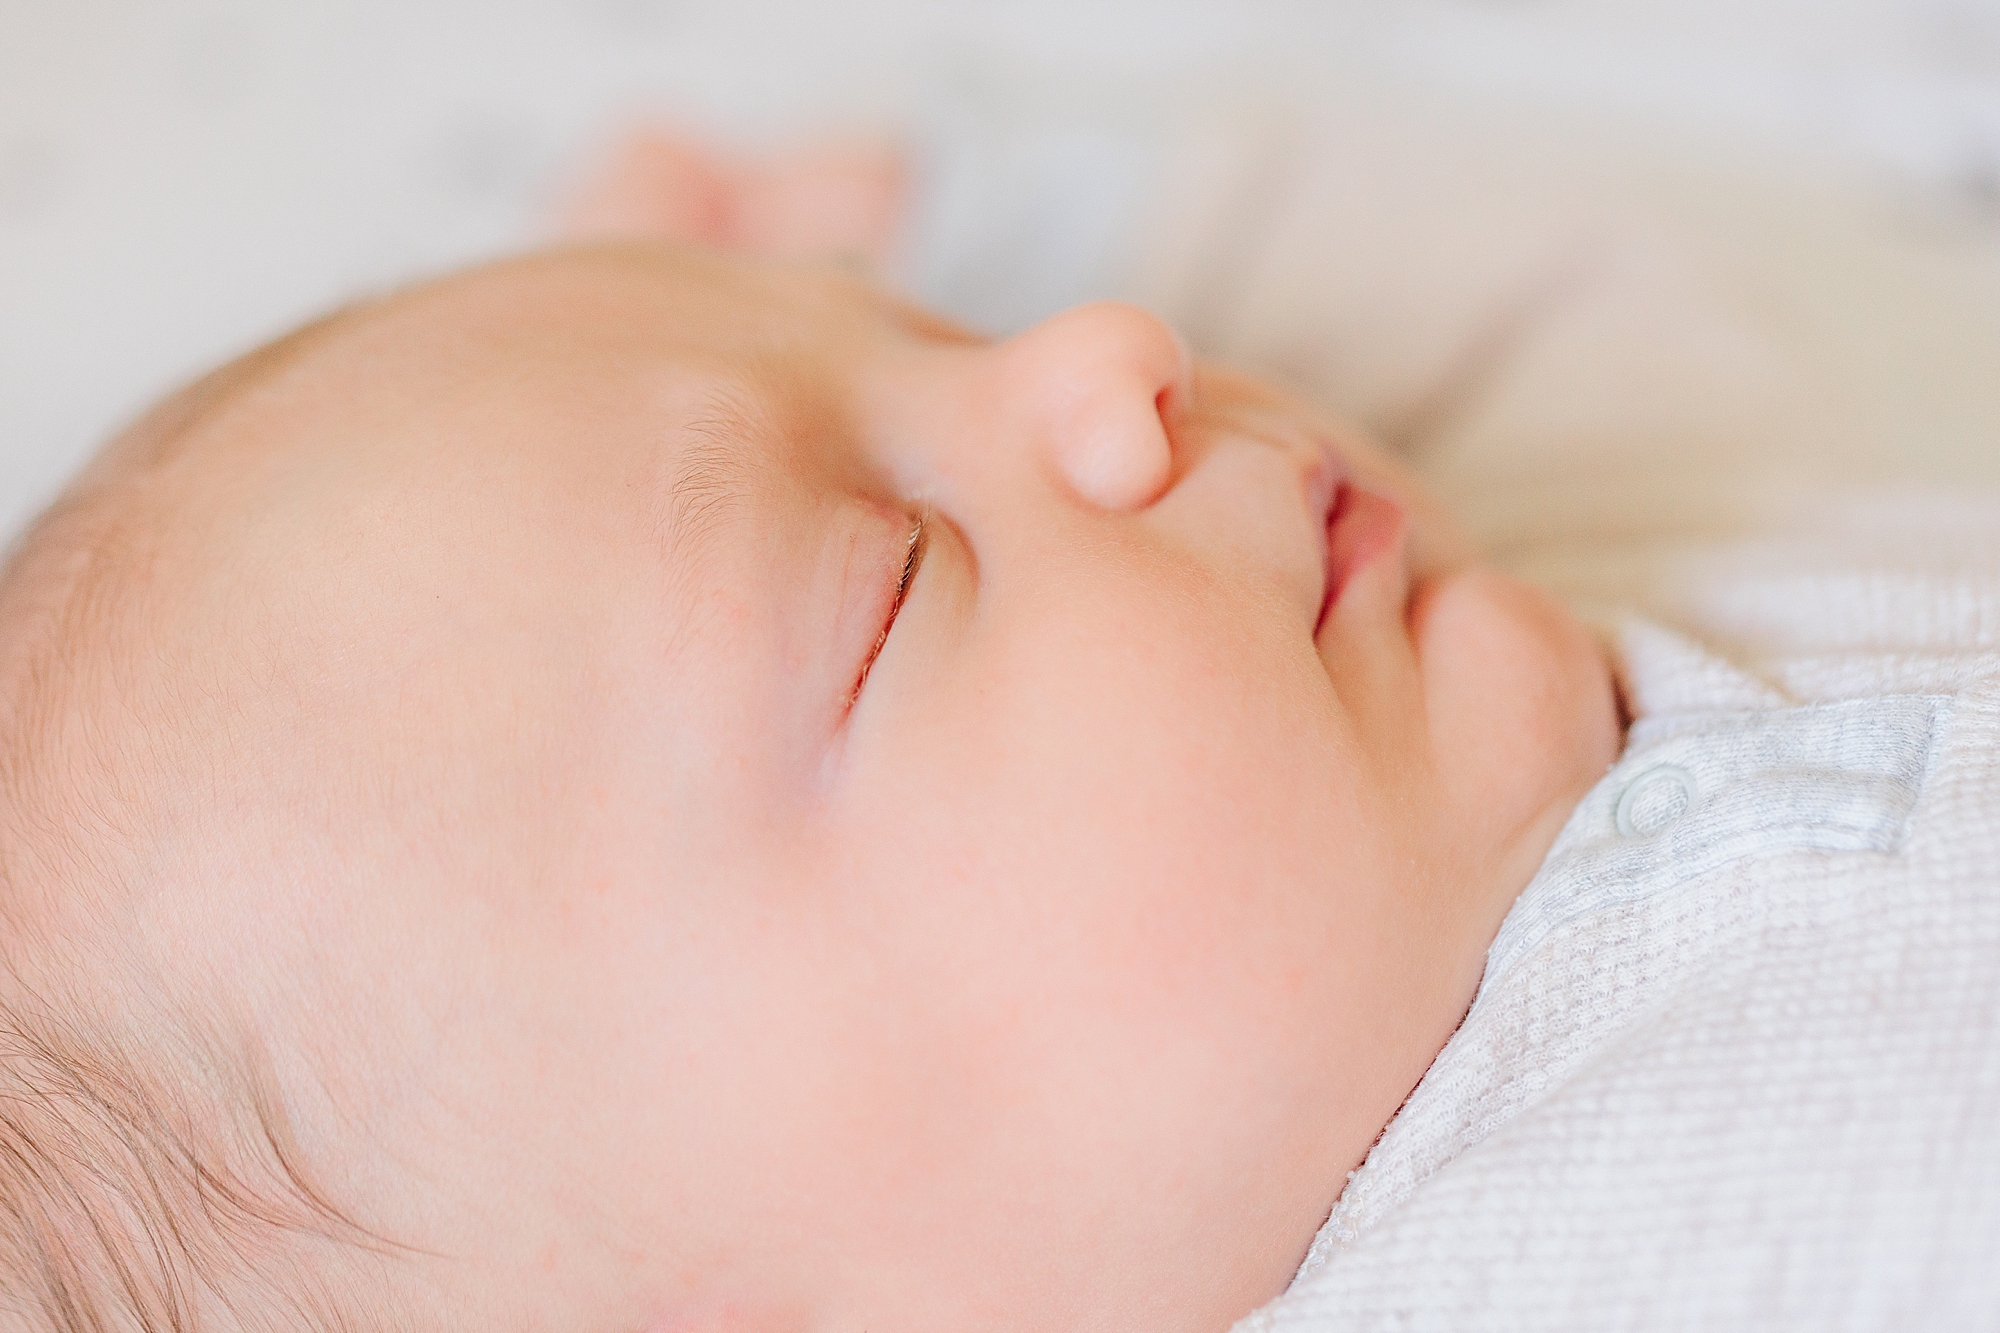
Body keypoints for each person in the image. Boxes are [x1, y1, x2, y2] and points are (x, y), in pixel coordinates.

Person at [3, 119, 1994, 1333]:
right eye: (889, 575)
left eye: (941, 331)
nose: (1108, 353)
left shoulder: (1541, 540)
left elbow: (1518, 260)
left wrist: (877, 237)